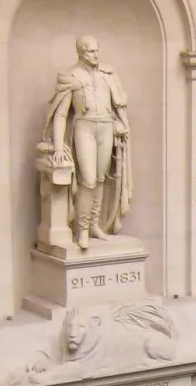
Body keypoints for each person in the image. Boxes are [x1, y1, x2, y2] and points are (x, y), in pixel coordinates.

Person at [42, 35, 134, 249]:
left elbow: (118, 105)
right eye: (91, 51)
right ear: (81, 52)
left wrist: (121, 123)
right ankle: (82, 229)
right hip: (84, 127)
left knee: (101, 178)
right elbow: (61, 115)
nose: (96, 55)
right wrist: (57, 146)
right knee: (88, 180)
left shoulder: (108, 74)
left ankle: (94, 225)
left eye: (96, 50)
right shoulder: (71, 76)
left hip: (105, 127)